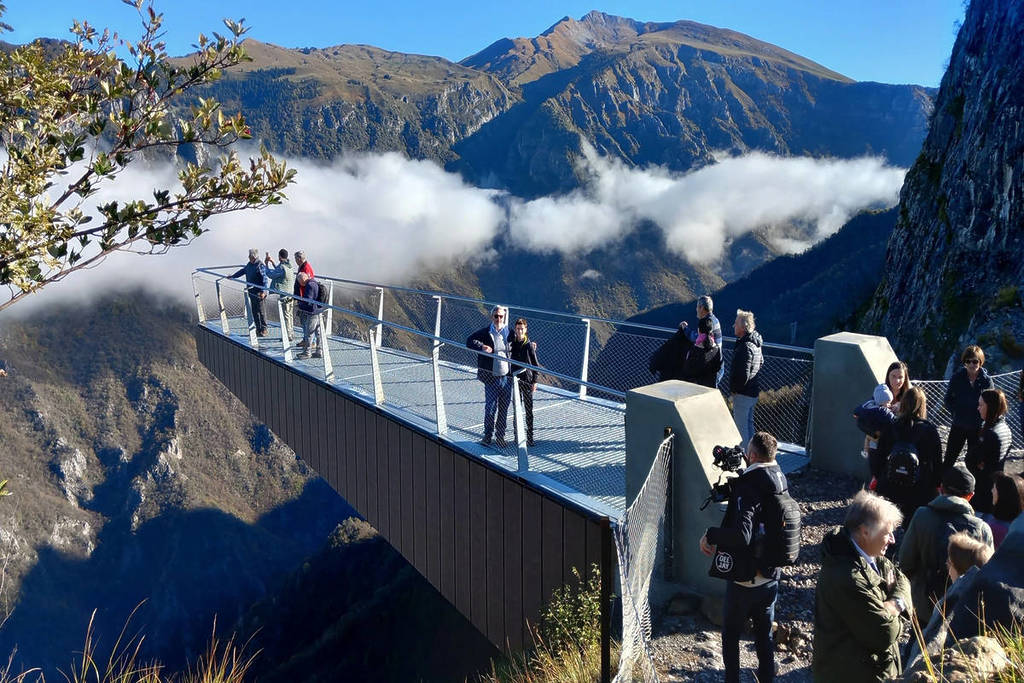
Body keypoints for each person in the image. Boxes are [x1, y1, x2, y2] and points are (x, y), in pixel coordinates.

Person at [700, 432, 788, 683]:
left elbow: (741, 535)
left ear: (751, 456)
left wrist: (710, 535)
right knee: (764, 636)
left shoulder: (749, 486)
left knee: (730, 636)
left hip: (745, 581)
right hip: (771, 577)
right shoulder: (780, 479)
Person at [812, 490, 912, 682]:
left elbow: (903, 581)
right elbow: (884, 633)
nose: (893, 540)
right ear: (865, 532)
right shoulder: (846, 577)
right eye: (887, 533)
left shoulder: (871, 555)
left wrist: (894, 603)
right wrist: (900, 608)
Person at [897, 464, 993, 620]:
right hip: (960, 612)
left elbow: (905, 561)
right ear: (970, 496)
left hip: (924, 605)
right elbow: (986, 577)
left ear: (941, 488)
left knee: (918, 642)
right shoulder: (982, 528)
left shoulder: (922, 516)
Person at [904, 532, 994, 671]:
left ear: (959, 568)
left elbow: (928, 645)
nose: (946, 565)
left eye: (950, 562)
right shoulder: (990, 597)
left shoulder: (952, 602)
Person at [871, 386, 943, 524]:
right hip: (919, 488)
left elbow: (879, 456)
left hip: (891, 484)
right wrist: (935, 485)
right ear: (922, 405)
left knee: (888, 523)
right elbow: (937, 462)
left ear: (903, 403)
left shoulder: (891, 426)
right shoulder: (930, 430)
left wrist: (879, 477)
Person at [942, 345, 993, 471]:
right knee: (949, 458)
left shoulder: (987, 381)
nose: (971, 364)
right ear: (964, 362)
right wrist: (956, 413)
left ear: (980, 362)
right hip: (959, 424)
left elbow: (991, 403)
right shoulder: (957, 378)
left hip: (977, 427)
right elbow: (948, 399)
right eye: (968, 361)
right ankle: (941, 485)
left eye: (975, 361)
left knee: (973, 461)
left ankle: (972, 489)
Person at [467, 306, 512, 447]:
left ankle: (500, 437)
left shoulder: (510, 333)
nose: (498, 319)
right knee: (490, 408)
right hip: (491, 377)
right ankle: (487, 436)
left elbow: (521, 344)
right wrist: (482, 347)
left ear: (504, 317)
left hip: (507, 378)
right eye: (496, 316)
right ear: (492, 317)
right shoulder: (485, 332)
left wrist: (530, 346)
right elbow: (469, 341)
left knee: (504, 408)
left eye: (501, 316)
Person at [965, 388, 1012, 514]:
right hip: (995, 486)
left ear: (990, 407)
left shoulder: (990, 434)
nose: (978, 408)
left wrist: (980, 465)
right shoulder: (1005, 428)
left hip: (983, 490)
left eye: (981, 405)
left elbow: (970, 460)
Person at [729, 309, 763, 448]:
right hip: (752, 391)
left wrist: (734, 391)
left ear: (743, 327)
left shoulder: (744, 347)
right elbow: (761, 362)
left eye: (736, 323)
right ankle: (753, 454)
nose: (733, 326)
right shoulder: (755, 343)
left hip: (743, 394)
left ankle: (744, 459)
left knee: (740, 428)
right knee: (749, 425)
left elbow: (742, 375)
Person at [508, 318, 540, 447]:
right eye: (518, 329)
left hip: (527, 380)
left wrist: (534, 382)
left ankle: (530, 437)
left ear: (525, 330)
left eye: (522, 329)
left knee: (528, 410)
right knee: (516, 409)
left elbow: (535, 364)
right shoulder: (512, 344)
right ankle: (517, 436)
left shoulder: (529, 345)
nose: (520, 331)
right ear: (515, 330)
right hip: (515, 380)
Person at [229, 248, 269, 336]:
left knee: (261, 311)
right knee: (254, 311)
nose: (249, 258)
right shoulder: (249, 265)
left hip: (259, 292)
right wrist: (233, 276)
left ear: (254, 257)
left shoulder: (260, 265)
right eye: (249, 256)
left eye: (251, 256)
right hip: (251, 291)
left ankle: (264, 329)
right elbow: (243, 271)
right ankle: (258, 329)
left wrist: (264, 291)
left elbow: (265, 279)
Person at [685, 295, 724, 386]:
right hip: (716, 361)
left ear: (702, 308)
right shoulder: (714, 320)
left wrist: (684, 329)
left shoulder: (708, 322)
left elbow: (698, 338)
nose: (696, 309)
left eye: (697, 307)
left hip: (711, 363)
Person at [981, 471, 1024, 549]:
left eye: (994, 488)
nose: (992, 491)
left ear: (1003, 495)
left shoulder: (996, 529)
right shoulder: (1019, 522)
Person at [679, 316, 722, 388]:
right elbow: (718, 367)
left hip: (695, 388)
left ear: (699, 330)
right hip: (710, 387)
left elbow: (687, 370)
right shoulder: (717, 349)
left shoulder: (695, 349)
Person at [264, 249, 296, 342]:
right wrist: (272, 262)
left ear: (279, 256)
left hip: (284, 295)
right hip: (291, 293)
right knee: (289, 315)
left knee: (286, 315)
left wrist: (266, 264)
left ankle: (287, 335)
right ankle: (291, 334)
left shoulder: (282, 267)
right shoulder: (289, 265)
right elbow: (279, 272)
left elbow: (271, 274)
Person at [293, 271, 324, 359]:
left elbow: (308, 301)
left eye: (300, 283)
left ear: (301, 280)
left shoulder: (309, 286)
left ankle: (307, 352)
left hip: (312, 312)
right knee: (318, 332)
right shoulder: (314, 282)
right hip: (319, 310)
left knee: (309, 332)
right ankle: (319, 351)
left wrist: (300, 305)